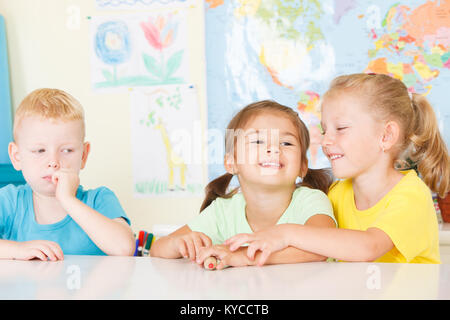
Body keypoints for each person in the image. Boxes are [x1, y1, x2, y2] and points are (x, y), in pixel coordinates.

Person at [226, 73, 449, 265]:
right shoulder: (337, 193)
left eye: (341, 128)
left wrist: (286, 233)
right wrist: (241, 256)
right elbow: (315, 249)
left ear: (386, 136)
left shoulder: (412, 195)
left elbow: (368, 248)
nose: (325, 141)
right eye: (325, 130)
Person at [150, 100, 337, 269]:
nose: (273, 148)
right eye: (257, 141)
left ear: (302, 167)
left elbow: (324, 247)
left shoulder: (311, 201)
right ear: (231, 162)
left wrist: (243, 257)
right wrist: (178, 244)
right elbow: (157, 249)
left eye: (286, 143)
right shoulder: (222, 211)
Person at [0, 88, 136, 260]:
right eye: (40, 150)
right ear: (16, 156)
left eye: (67, 150)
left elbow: (124, 248)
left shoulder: (99, 199)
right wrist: (18, 250)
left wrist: (68, 199)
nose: (53, 161)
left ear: (84, 155)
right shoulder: (9, 202)